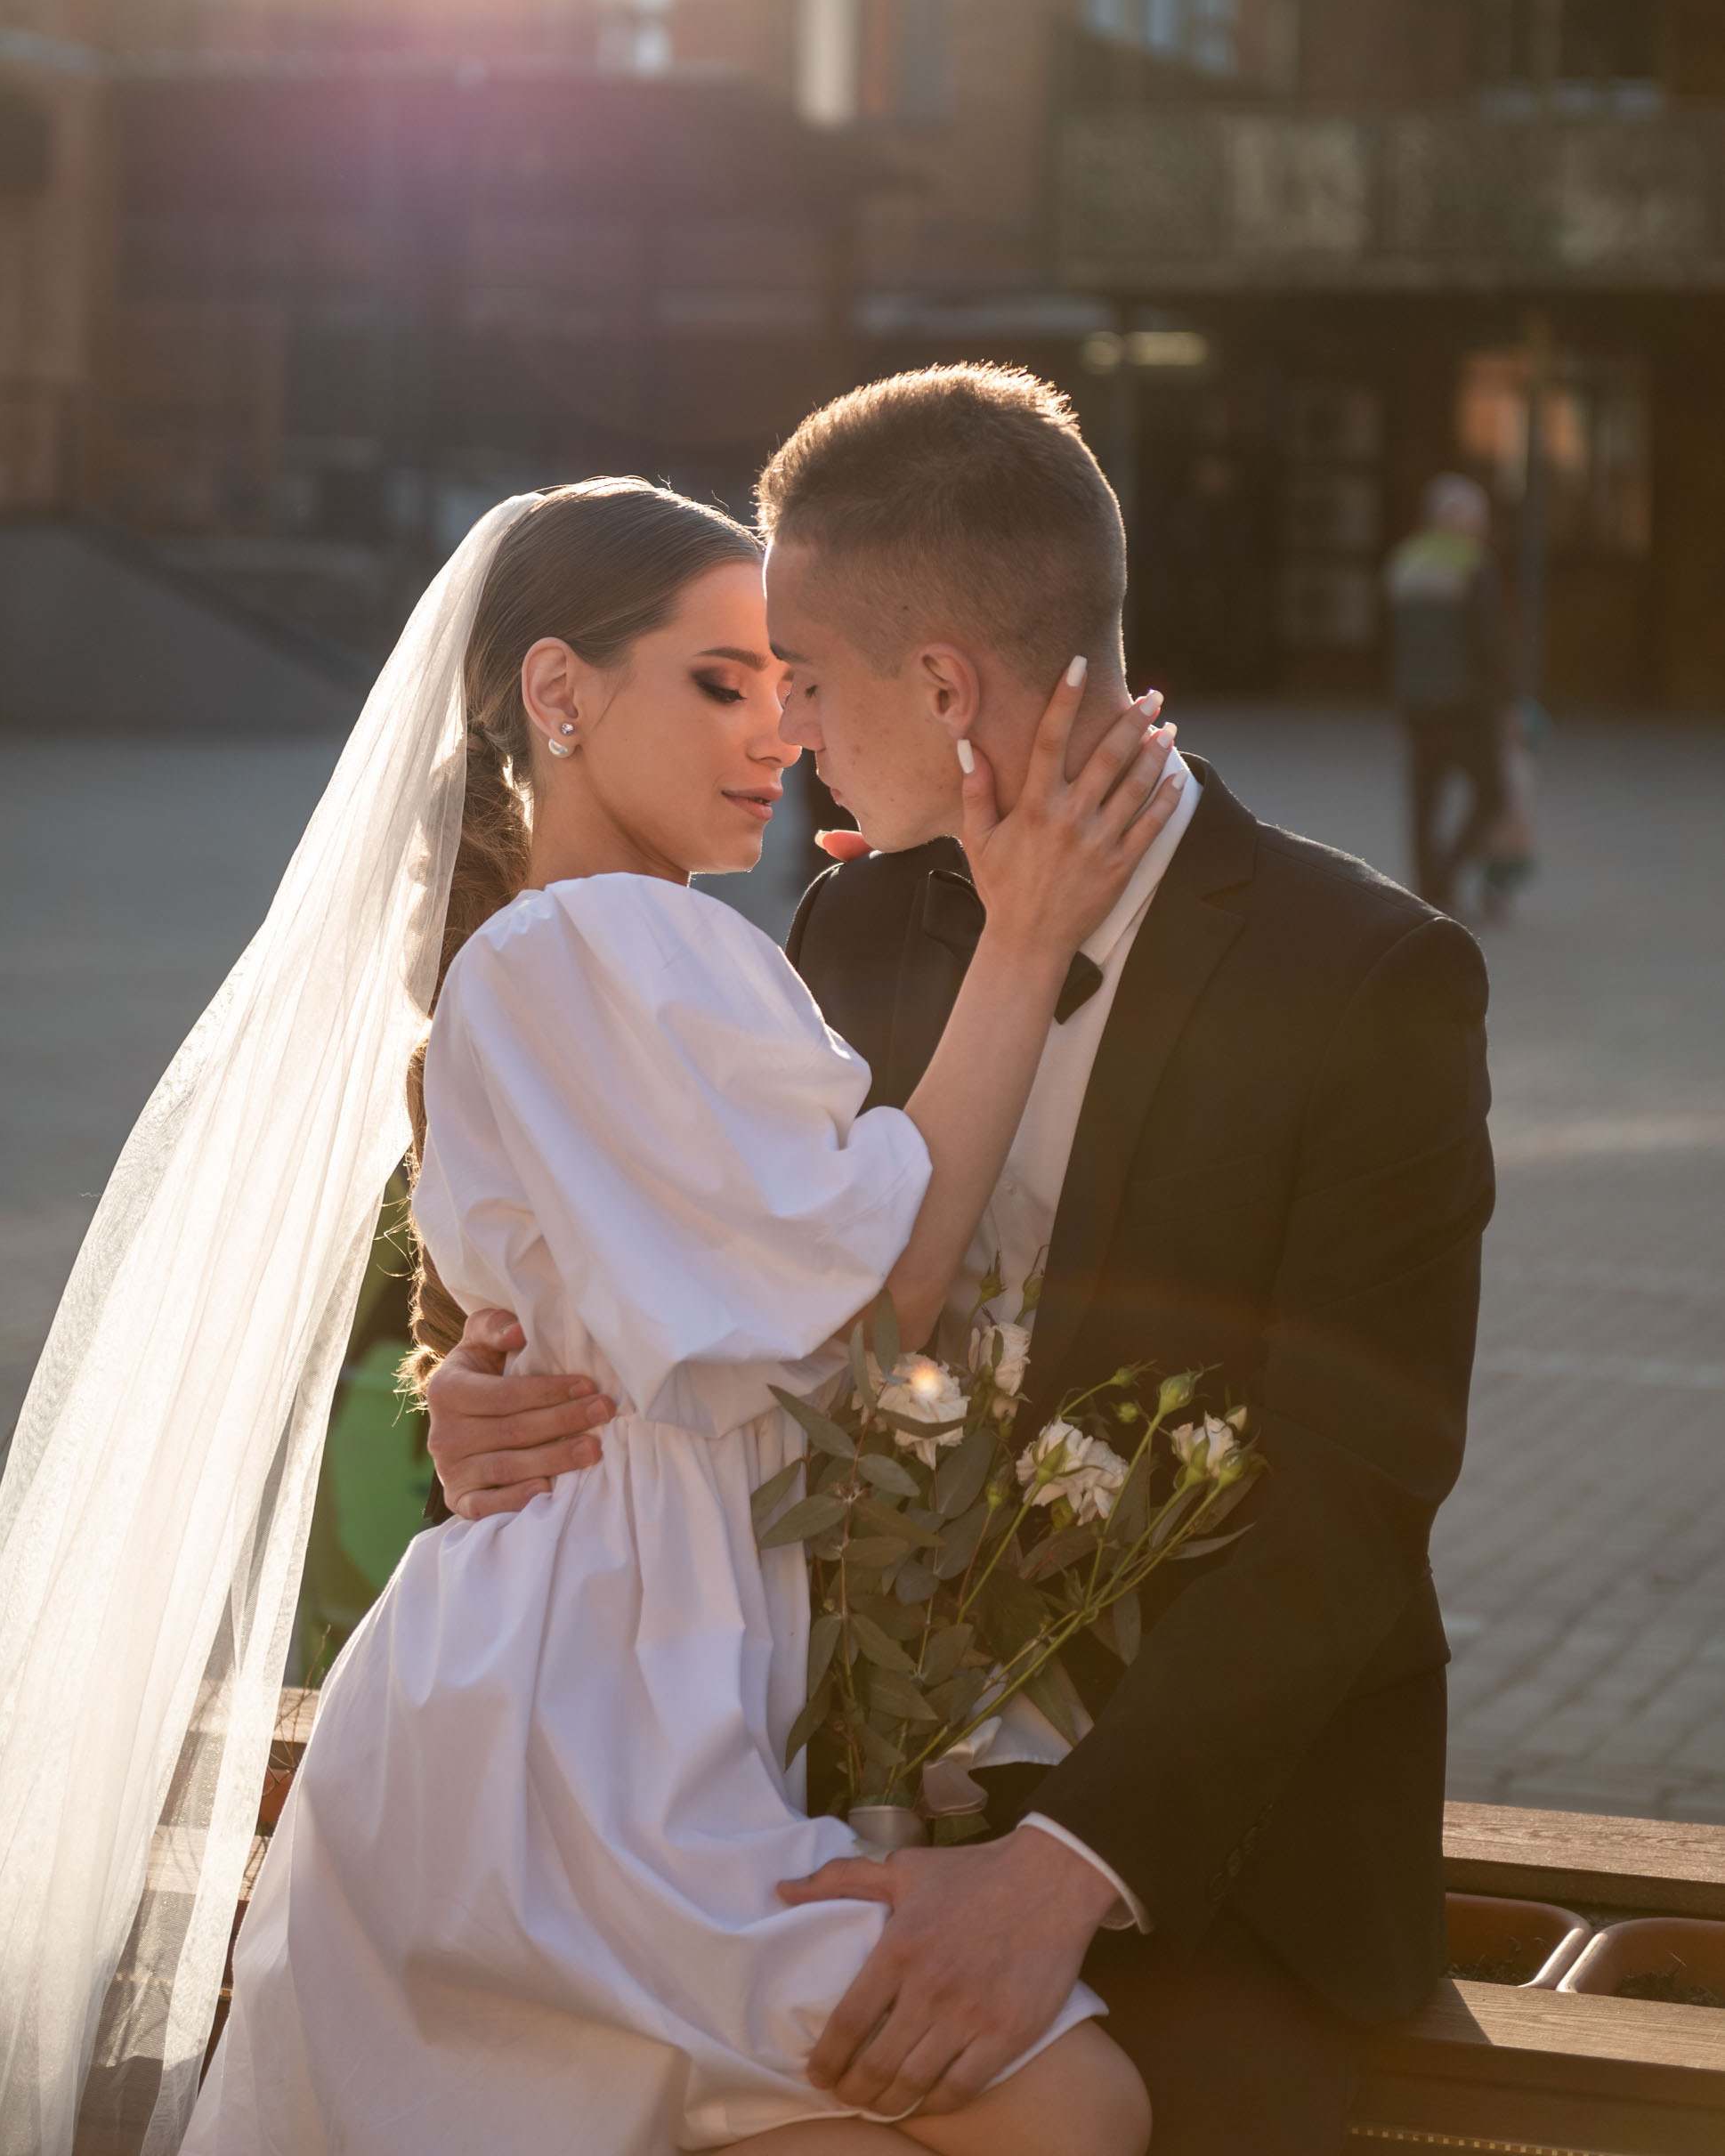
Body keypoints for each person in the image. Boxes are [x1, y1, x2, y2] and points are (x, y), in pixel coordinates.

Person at [427, 371, 1493, 2156]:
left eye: (810, 684)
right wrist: (485, 1400)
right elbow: (697, 1278)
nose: (792, 742)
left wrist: (1059, 1875)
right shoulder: (851, 917)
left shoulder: (1361, 979)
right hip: (800, 1784)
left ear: (938, 685)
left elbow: (1347, 1505)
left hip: (1192, 1849)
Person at [179, 478, 1179, 2156]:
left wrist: (462, 1394)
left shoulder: (591, 954)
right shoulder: (605, 941)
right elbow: (875, 1290)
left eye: (787, 687)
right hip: (583, 1726)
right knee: (1064, 2105)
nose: (777, 734)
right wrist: (1023, 939)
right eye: (719, 682)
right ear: (557, 693)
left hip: (598, 1692)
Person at [1383, 473, 1516, 913]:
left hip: (1413, 700)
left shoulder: (1404, 561)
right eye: (1478, 517)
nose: (1481, 527)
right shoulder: (1472, 562)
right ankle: (1445, 873)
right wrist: (1508, 697)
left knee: (1425, 794)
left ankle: (1428, 886)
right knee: (1493, 792)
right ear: (1460, 519)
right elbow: (1486, 638)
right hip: (1463, 700)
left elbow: (1388, 636)